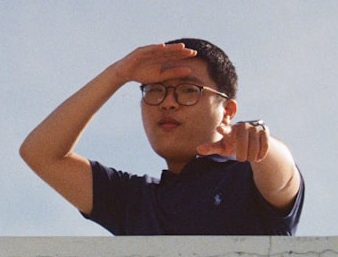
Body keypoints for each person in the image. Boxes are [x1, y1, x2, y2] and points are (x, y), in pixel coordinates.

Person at [19, 38, 304, 235]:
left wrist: (262, 145)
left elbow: (283, 179)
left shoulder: (246, 178)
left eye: (188, 90)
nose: (168, 103)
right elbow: (41, 154)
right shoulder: (135, 202)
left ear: (227, 112)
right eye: (155, 91)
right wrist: (118, 74)